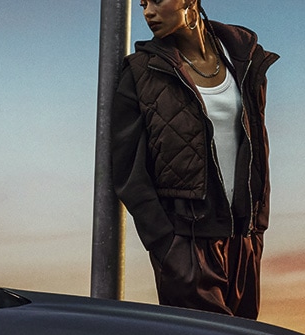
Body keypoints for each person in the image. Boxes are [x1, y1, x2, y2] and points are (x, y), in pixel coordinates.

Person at [104, 0, 275, 318]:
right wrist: (166, 243)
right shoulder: (141, 73)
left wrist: (257, 225)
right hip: (186, 241)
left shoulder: (243, 57)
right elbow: (128, 170)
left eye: (156, 0)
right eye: (142, 4)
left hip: (244, 236)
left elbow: (256, 145)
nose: (148, 12)